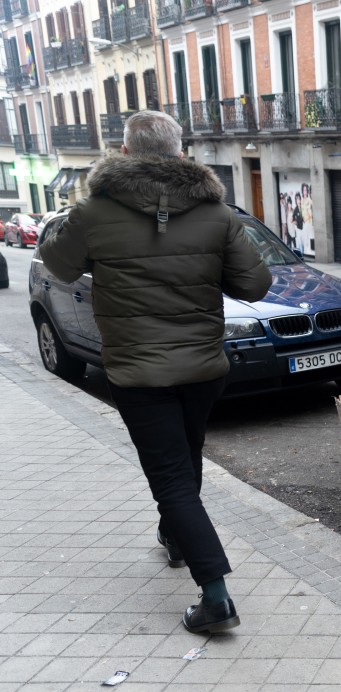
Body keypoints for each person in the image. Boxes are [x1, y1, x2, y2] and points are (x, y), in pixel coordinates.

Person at [39, 110, 270, 634]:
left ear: (124, 153)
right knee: (184, 462)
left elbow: (57, 264)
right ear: (180, 152)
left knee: (171, 477)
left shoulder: (94, 211)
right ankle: (175, 540)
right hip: (204, 368)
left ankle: (216, 598)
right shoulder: (216, 213)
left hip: (139, 373)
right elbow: (255, 285)